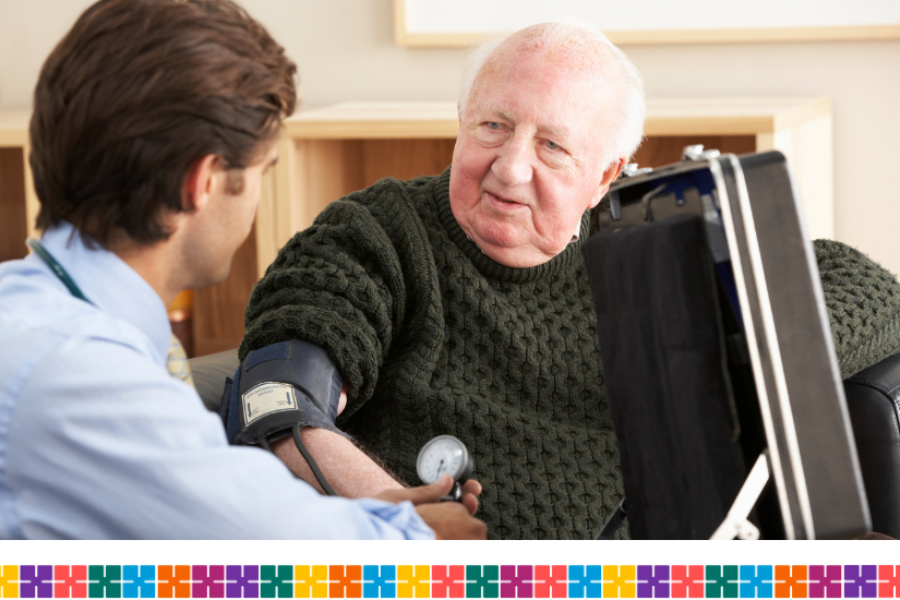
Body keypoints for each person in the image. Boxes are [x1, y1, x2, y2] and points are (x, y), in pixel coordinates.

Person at [0, 0, 485, 540]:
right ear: (203, 182)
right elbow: (260, 553)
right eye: (260, 172)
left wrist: (374, 516)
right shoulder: (83, 380)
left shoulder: (31, 315)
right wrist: (418, 539)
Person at [239, 21, 643, 540]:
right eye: (493, 126)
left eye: (551, 145)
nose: (512, 167)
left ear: (605, 176)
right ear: (461, 120)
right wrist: (403, 526)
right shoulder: (375, 234)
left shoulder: (640, 265)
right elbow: (279, 404)